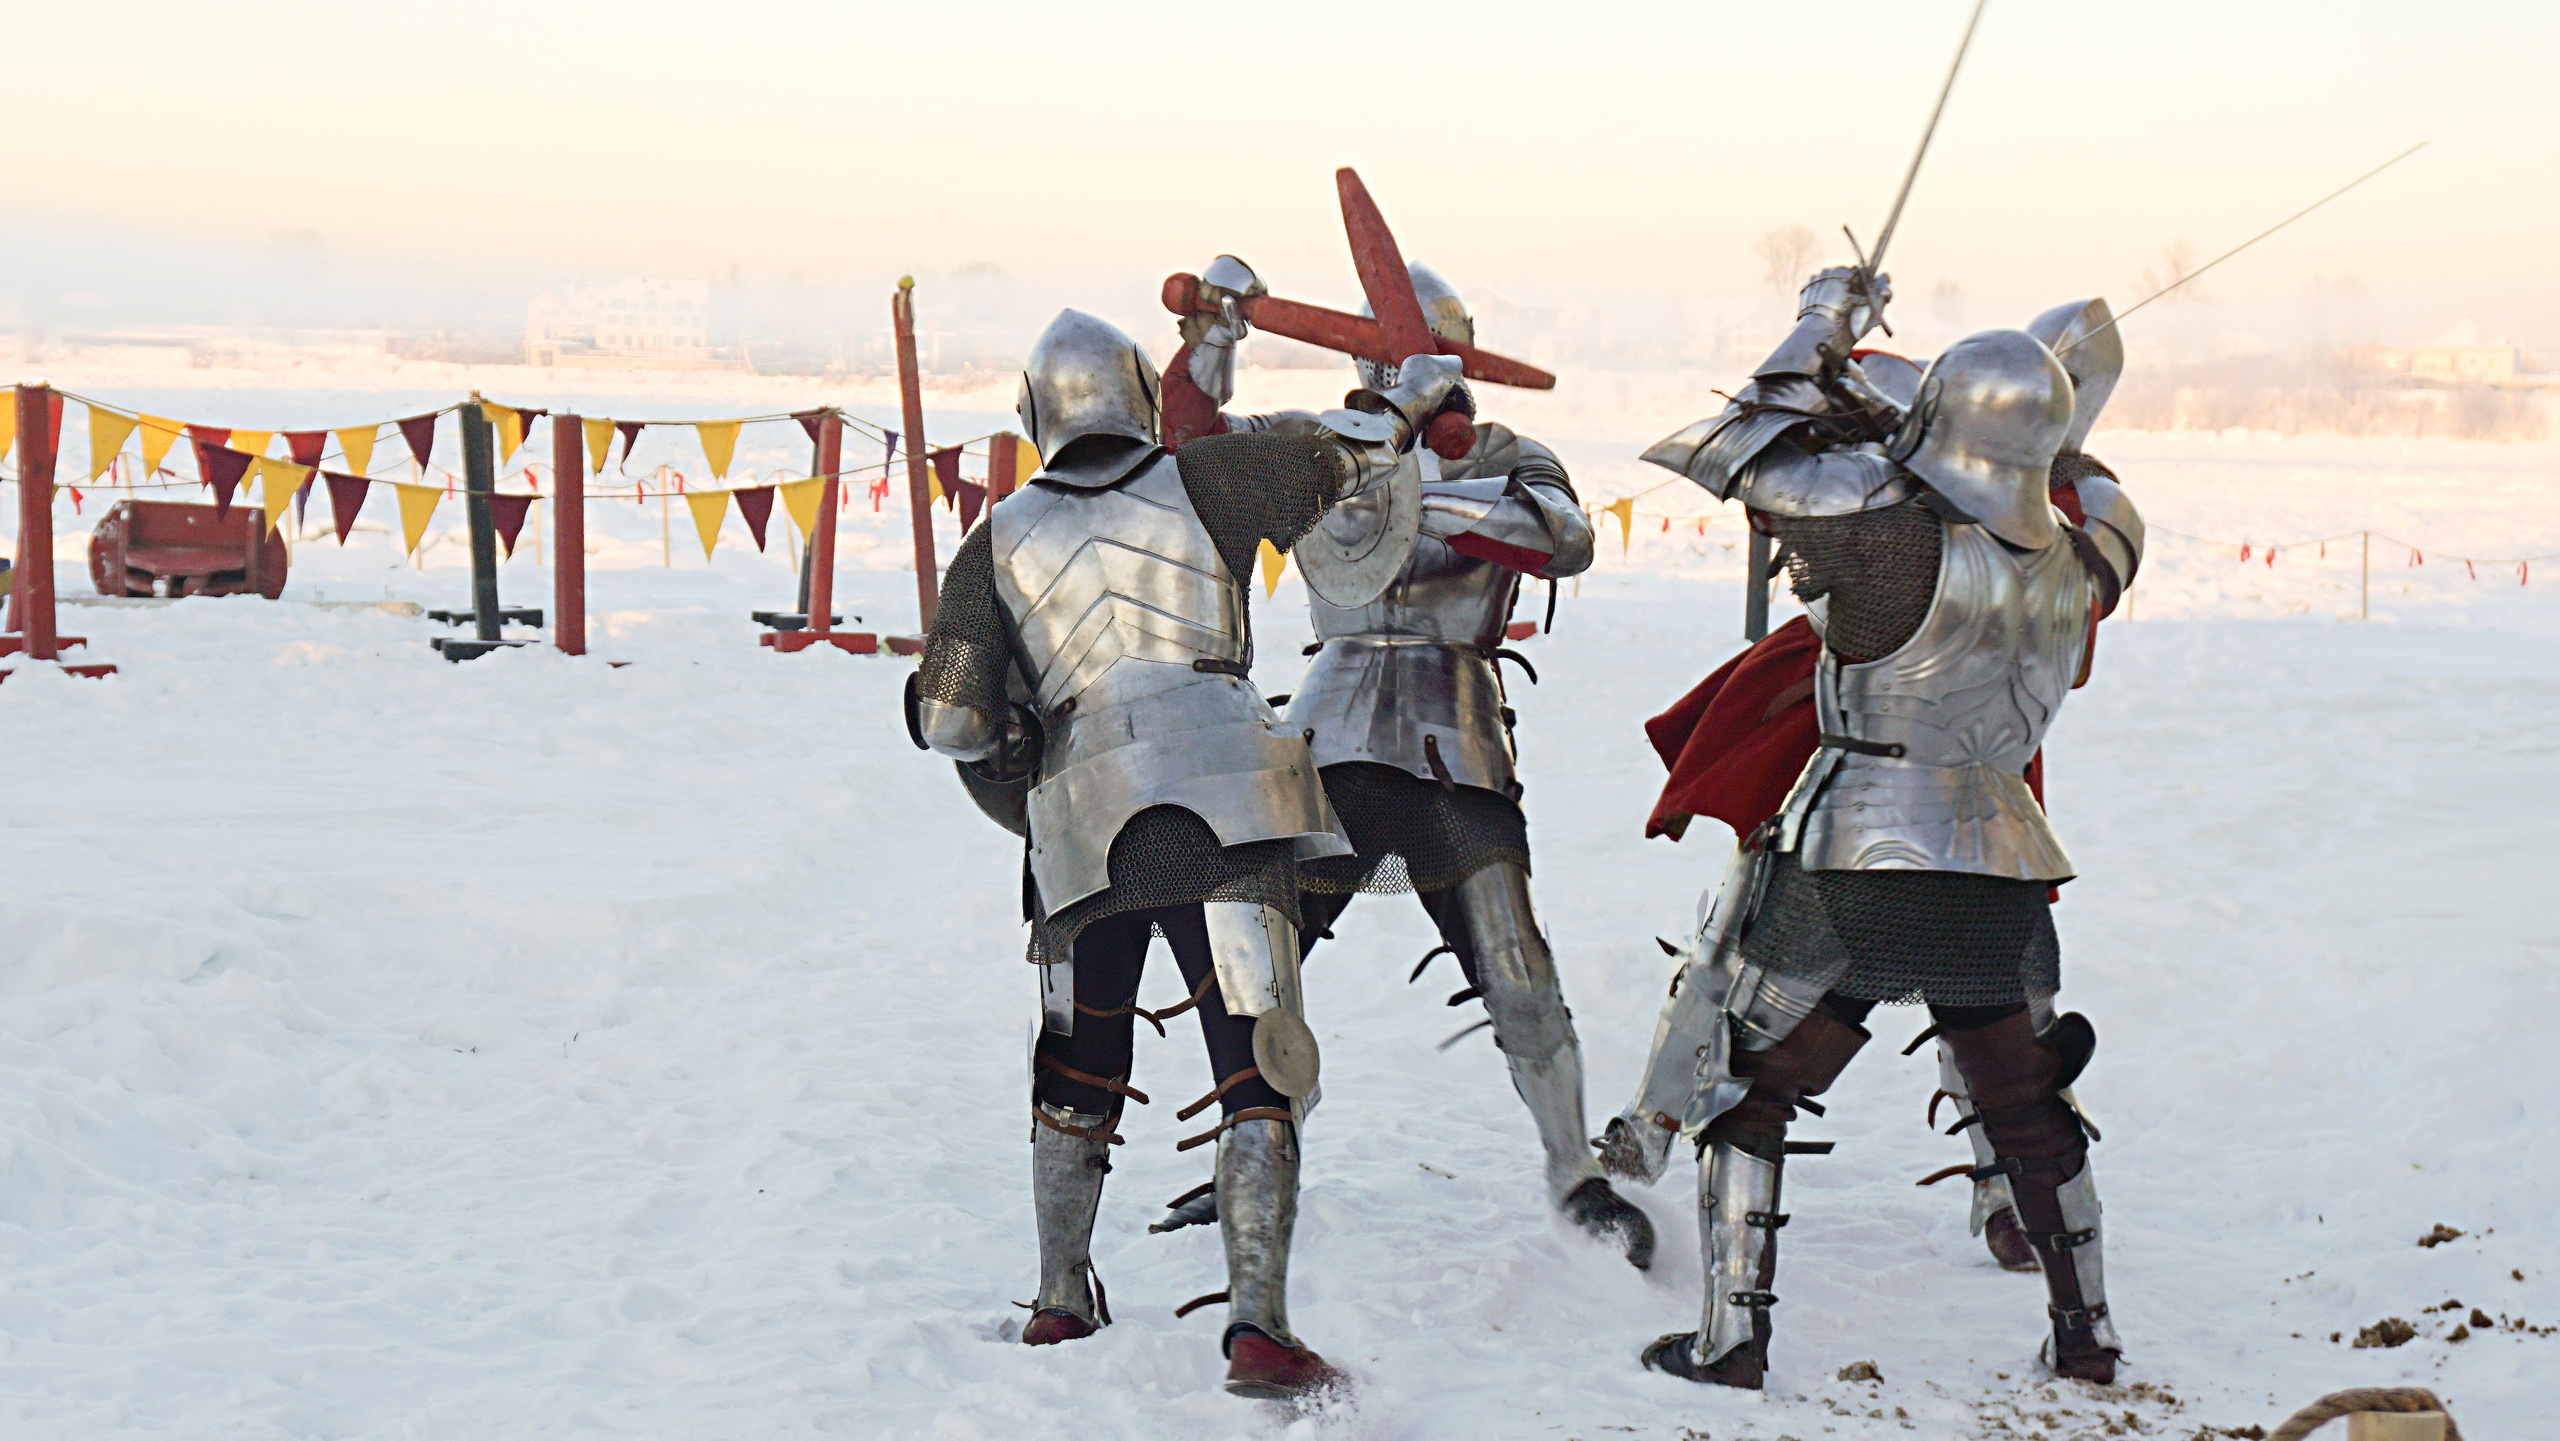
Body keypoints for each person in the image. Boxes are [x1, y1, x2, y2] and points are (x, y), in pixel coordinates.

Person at [907, 307, 1470, 1400]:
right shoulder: (1208, 476)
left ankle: (1060, 1298)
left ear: (1034, 413)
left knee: (1076, 1066)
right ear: (1138, 388)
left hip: (1080, 817)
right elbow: (1350, 459)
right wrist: (1409, 396)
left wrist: (1021, 725)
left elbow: (954, 723)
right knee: (1258, 1060)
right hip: (1230, 790)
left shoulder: (998, 535)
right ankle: (1259, 1326)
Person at [1619, 267, 2145, 1388]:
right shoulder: (2087, 558)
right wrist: (2035, 445)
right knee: (2028, 1104)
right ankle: (2087, 1333)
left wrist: (1825, 320)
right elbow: (2100, 497)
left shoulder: (1888, 540)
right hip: (2000, 853)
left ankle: (1730, 1339)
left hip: (1858, 845)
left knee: (1747, 1089)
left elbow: (1742, 449)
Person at [1155, 257, 1654, 1269]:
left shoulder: (1507, 451)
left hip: (1453, 735)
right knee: (1262, 955)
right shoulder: (1320, 442)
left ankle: (1573, 1170)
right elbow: (1196, 449)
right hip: (1330, 731)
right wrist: (1213, 334)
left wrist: (1411, 490)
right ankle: (1255, 1147)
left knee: (1516, 962)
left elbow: (1564, 540)